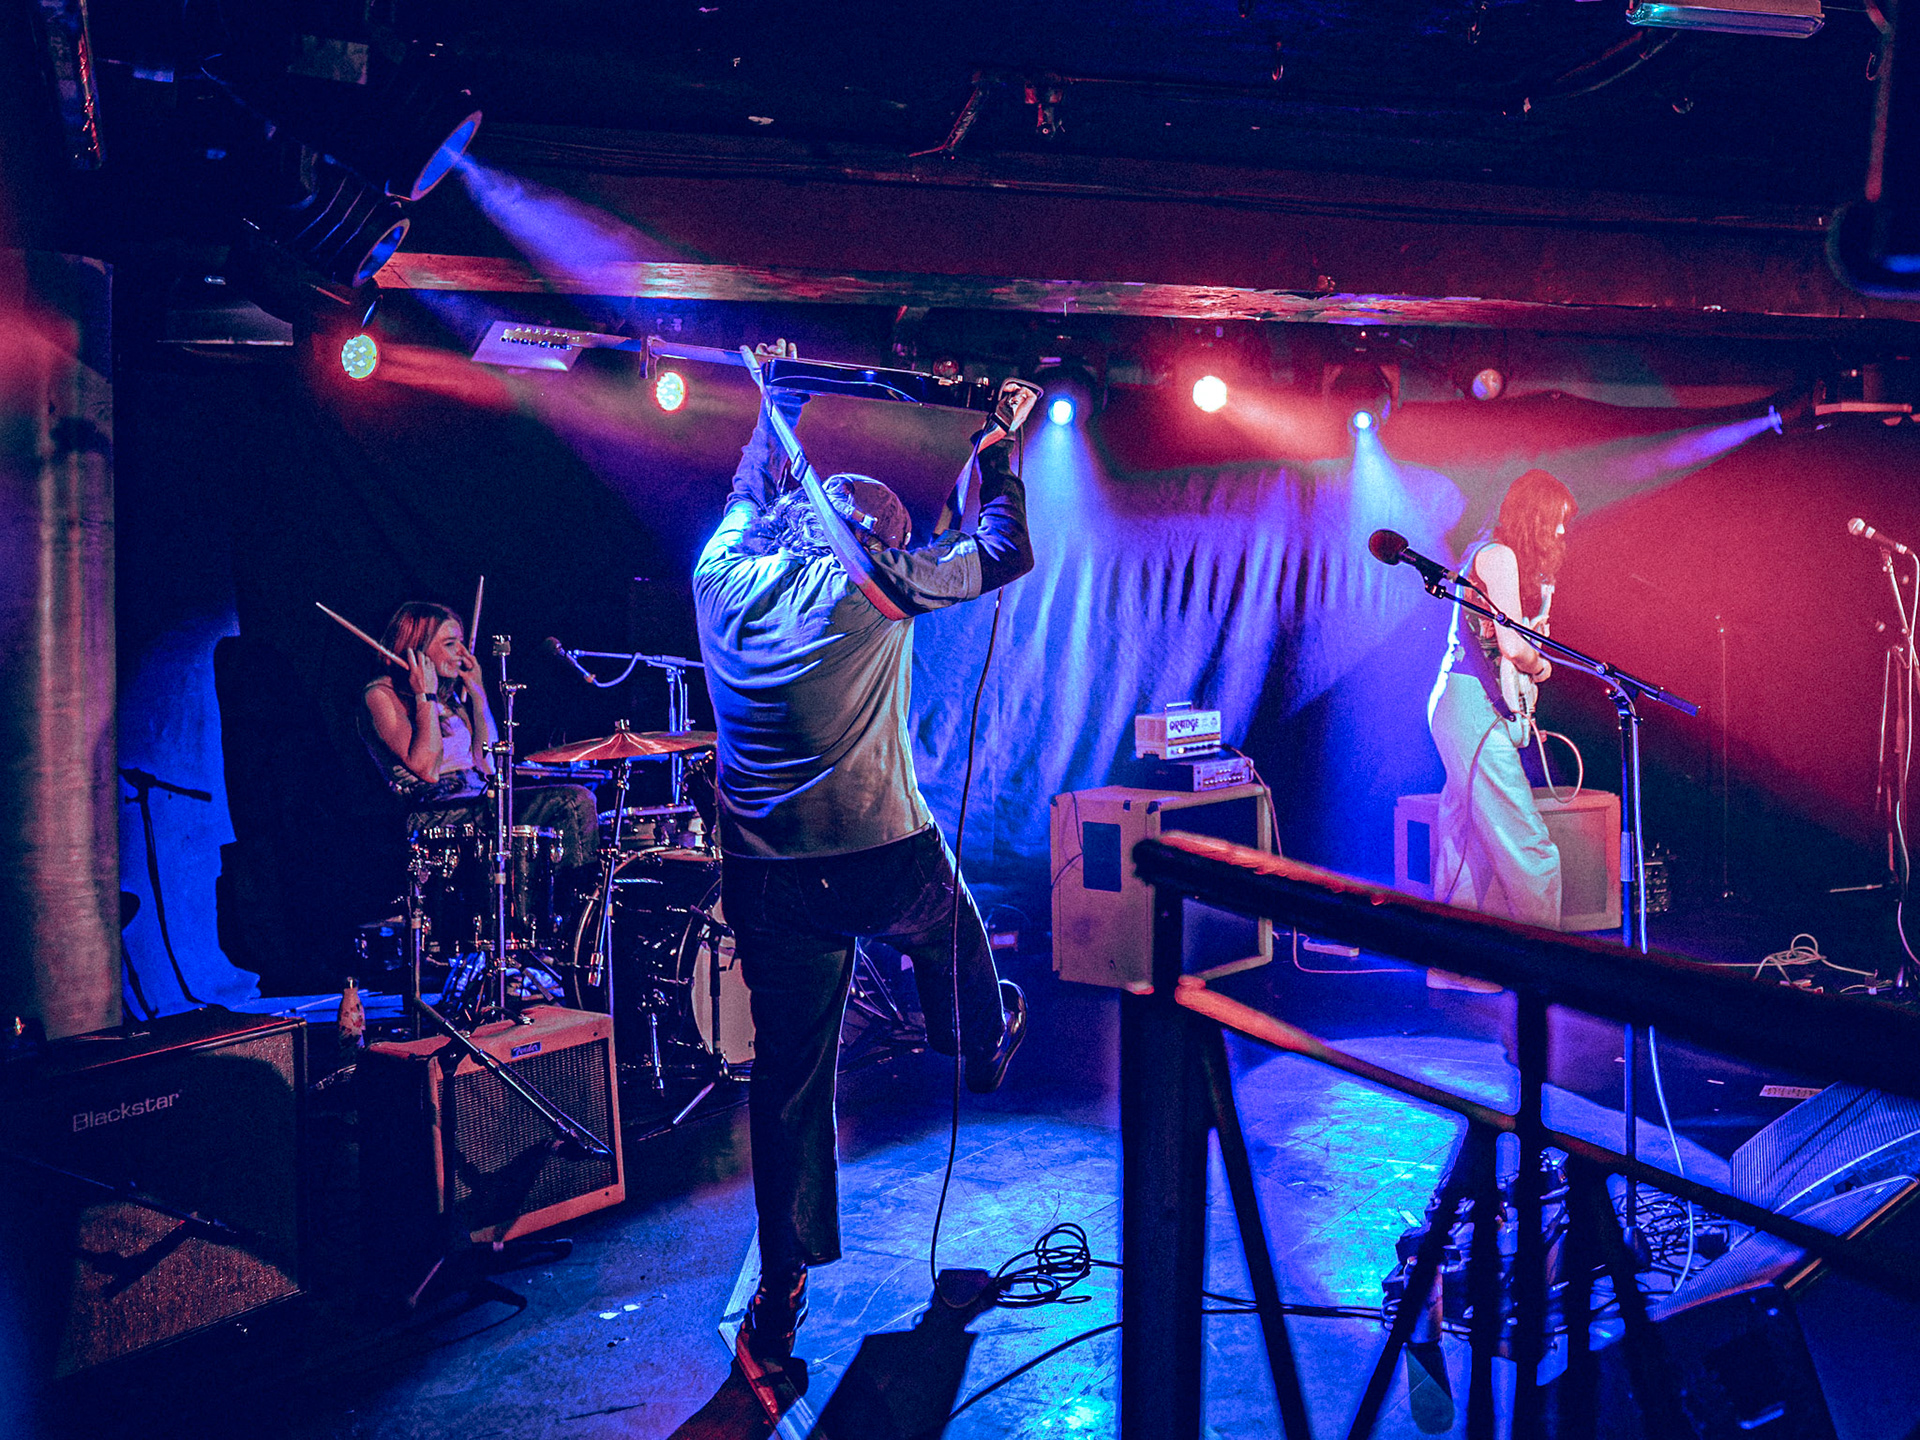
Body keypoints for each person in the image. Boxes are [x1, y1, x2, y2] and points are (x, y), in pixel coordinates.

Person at [693, 354, 1034, 1367]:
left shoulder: (716, 574)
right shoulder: (875, 584)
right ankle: (976, 1036)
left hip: (767, 879)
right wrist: (997, 451)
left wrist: (778, 405)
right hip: (880, 856)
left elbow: (749, 489)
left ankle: (782, 1292)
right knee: (952, 925)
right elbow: (1000, 551)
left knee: (789, 1081)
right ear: (868, 539)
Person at [358, 602, 597, 927]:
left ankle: (553, 918)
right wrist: (425, 696)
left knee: (569, 808)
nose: (462, 652)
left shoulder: (448, 697)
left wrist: (478, 692)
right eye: (449, 643)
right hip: (434, 811)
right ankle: (578, 924)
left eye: (460, 641)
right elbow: (426, 768)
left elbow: (488, 766)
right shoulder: (381, 694)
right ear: (416, 649)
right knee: (571, 800)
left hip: (476, 798)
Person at [1426, 469, 1577, 932]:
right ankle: (1542, 962)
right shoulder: (1498, 556)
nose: (1562, 531)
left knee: (1466, 845)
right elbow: (1514, 647)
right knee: (1528, 847)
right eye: (1556, 519)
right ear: (1535, 516)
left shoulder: (1491, 555)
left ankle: (1453, 961)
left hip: (1463, 704)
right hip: (1473, 706)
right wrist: (1540, 666)